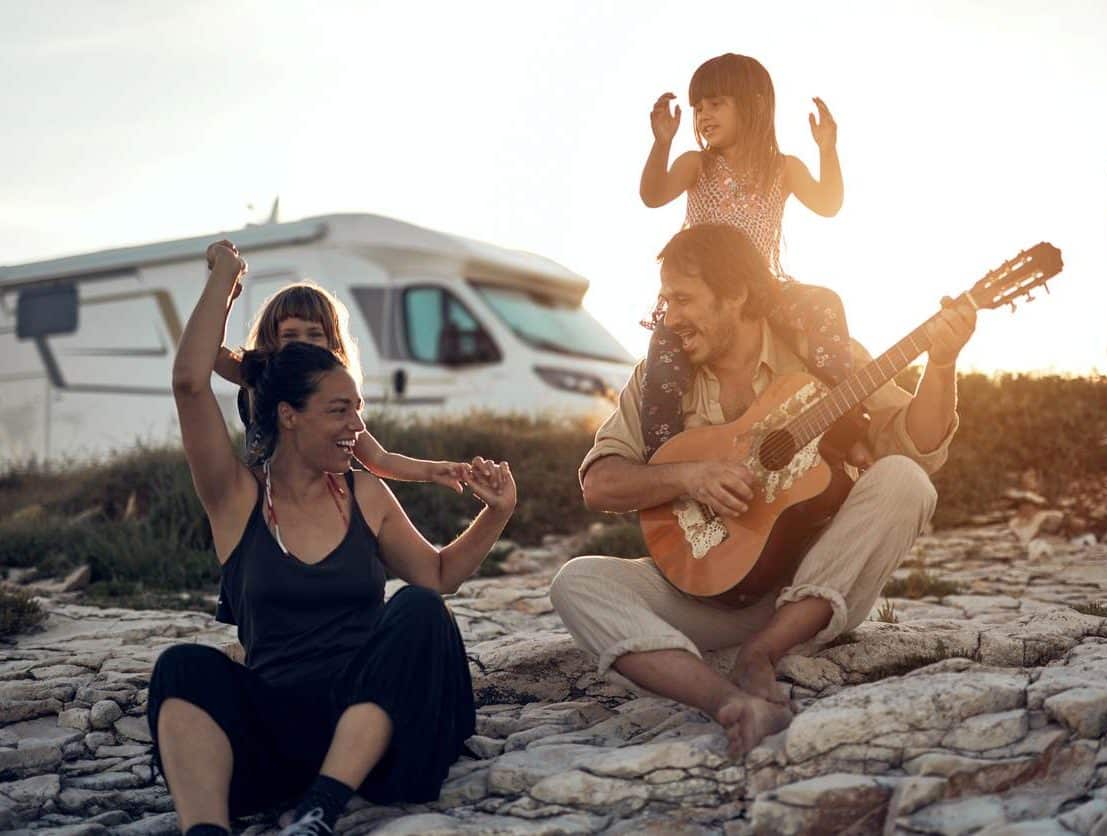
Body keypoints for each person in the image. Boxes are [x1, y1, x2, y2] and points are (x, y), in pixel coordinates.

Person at [549, 224, 976, 758]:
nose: (669, 316)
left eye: (683, 299)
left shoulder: (826, 358)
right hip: (702, 593)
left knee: (905, 481)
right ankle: (730, 702)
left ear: (737, 294)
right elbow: (600, 483)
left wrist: (941, 362)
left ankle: (762, 653)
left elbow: (917, 446)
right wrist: (689, 475)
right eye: (665, 300)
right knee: (576, 581)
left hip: (813, 592)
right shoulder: (658, 378)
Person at [150, 240, 517, 836]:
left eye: (358, 410)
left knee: (420, 609)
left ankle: (322, 806)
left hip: (377, 736)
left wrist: (496, 515)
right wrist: (225, 276)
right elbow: (191, 382)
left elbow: (440, 575)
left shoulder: (365, 493)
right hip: (278, 731)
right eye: (340, 411)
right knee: (182, 668)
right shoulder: (236, 496)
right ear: (290, 415)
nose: (356, 428)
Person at [638, 52, 851, 458]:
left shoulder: (783, 169)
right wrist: (661, 142)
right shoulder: (695, 164)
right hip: (702, 293)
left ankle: (842, 424)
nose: (703, 115)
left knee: (825, 304)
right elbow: (653, 195)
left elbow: (829, 203)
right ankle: (659, 458)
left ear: (752, 104)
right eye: (698, 107)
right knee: (663, 358)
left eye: (716, 103)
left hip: (761, 290)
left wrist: (827, 149)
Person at [210, 270, 472, 488]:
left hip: (317, 500)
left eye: (315, 334)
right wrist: (224, 293)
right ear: (273, 340)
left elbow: (379, 459)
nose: (304, 343)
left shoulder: (332, 392)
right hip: (262, 496)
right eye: (290, 335)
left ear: (332, 342)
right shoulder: (259, 376)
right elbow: (211, 352)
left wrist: (433, 471)